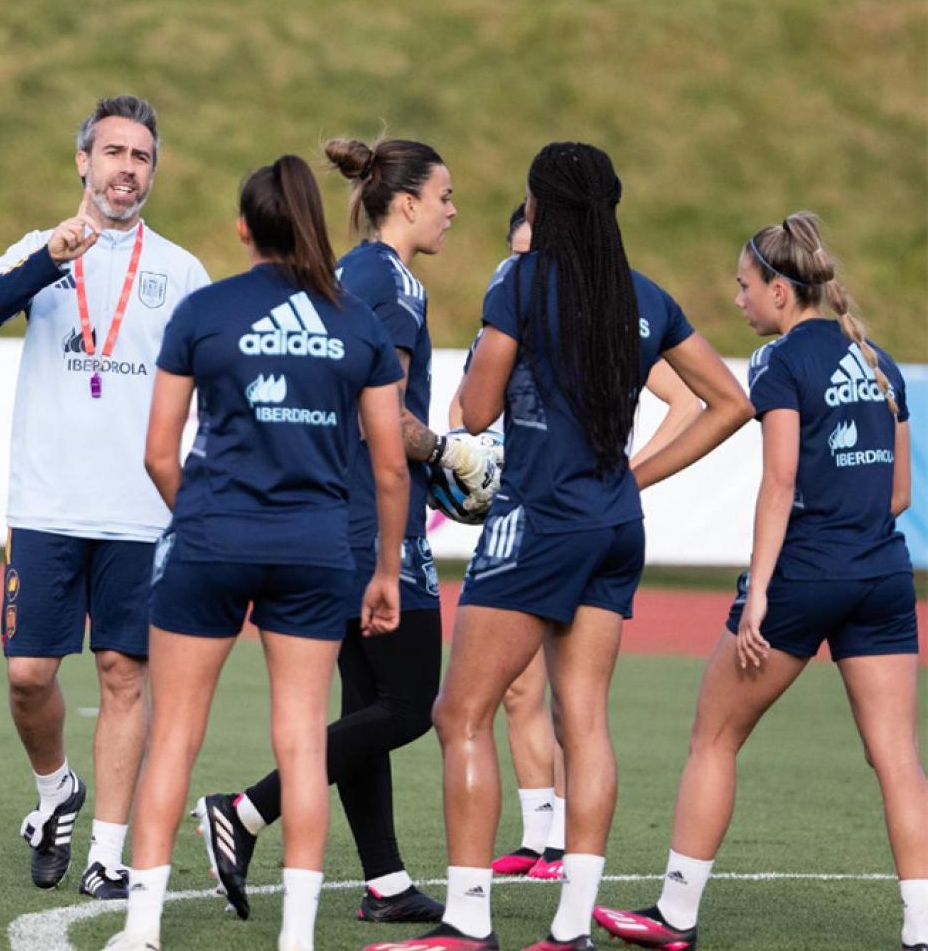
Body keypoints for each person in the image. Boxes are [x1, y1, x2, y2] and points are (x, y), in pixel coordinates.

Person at [372, 142, 753, 951]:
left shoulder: (520, 280)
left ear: (541, 208)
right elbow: (729, 402)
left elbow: (473, 412)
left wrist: (488, 364)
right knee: (586, 724)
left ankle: (469, 922)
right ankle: (571, 927)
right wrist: (635, 477)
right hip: (615, 524)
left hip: (539, 519)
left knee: (461, 715)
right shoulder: (644, 295)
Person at [595, 214, 926, 951]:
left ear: (781, 290)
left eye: (745, 287)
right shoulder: (878, 359)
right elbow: (899, 495)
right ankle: (922, 930)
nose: (739, 300)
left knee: (713, 737)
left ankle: (675, 915)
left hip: (805, 573)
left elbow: (778, 482)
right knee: (898, 758)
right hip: (881, 575)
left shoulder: (777, 363)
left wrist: (762, 593)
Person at [108, 154, 409, 951]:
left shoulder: (205, 311)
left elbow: (158, 452)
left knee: (173, 734)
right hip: (315, 550)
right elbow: (386, 464)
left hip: (211, 539)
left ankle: (141, 931)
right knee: (303, 740)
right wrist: (385, 569)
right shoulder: (358, 323)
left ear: (245, 228)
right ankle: (298, 938)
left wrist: (201, 519)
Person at [195, 136, 490, 926]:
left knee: (368, 699)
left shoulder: (367, 274)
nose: (453, 211)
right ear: (405, 202)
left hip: (350, 515)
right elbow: (383, 421)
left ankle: (386, 882)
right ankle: (246, 810)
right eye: (445, 196)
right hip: (368, 521)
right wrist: (454, 453)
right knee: (406, 704)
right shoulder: (384, 285)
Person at [0, 94, 210, 898]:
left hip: (140, 511)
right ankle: (55, 790)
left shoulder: (182, 271)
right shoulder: (42, 249)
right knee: (29, 675)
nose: (125, 169)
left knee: (123, 675)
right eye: (112, 153)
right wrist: (48, 261)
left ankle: (107, 852)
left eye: (140, 157)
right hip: (47, 506)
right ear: (82, 162)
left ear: (152, 171)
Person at [459, 208, 700, 883]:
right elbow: (472, 418)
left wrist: (633, 472)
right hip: (568, 511)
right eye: (514, 252)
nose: (522, 262)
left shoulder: (591, 304)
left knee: (479, 709)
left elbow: (688, 401)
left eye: (530, 250)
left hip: (552, 517)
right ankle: (543, 840)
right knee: (522, 693)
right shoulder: (526, 294)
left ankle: (511, 878)